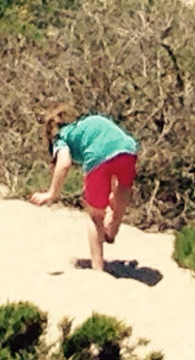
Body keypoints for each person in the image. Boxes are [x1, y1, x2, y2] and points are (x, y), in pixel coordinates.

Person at [30, 105, 138, 272]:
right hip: (128, 148)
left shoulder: (62, 137)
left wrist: (52, 193)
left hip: (98, 156)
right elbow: (113, 152)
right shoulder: (90, 122)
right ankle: (113, 225)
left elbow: (64, 164)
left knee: (95, 215)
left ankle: (97, 268)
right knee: (123, 186)